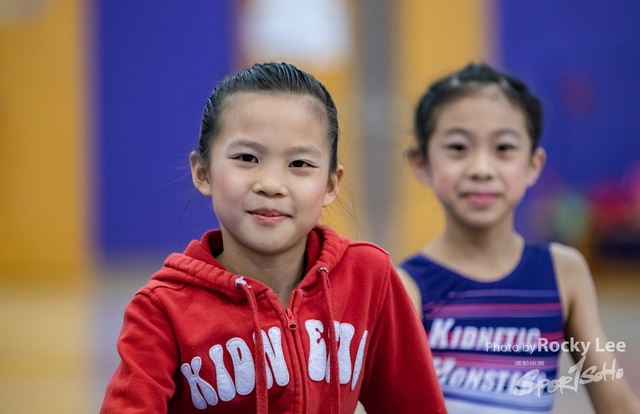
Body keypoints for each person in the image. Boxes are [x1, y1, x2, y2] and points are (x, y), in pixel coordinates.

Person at [100, 62, 446, 414]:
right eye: (247, 158)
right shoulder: (161, 308)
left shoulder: (369, 277)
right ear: (203, 172)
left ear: (331, 184)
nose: (271, 184)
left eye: (299, 164)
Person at [398, 63, 640, 414]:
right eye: (458, 147)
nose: (481, 169)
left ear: (533, 165)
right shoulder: (406, 287)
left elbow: (618, 405)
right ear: (421, 163)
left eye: (504, 148)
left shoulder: (563, 273)